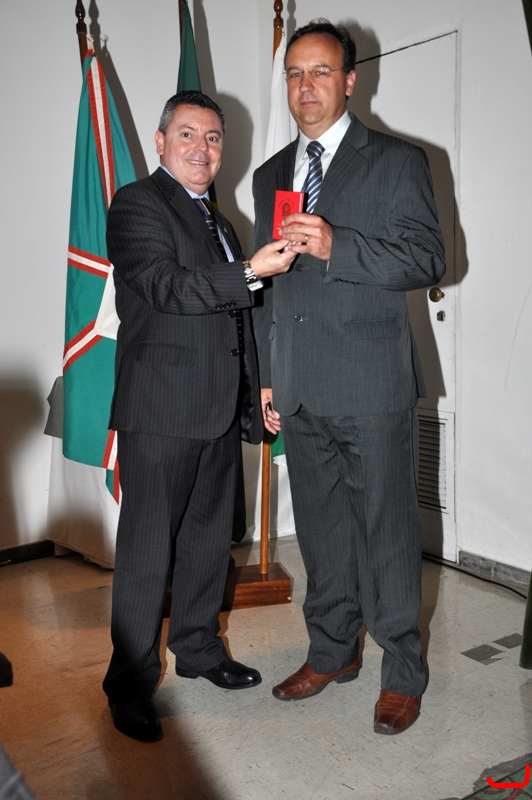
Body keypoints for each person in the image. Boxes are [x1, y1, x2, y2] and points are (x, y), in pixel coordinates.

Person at [252, 20, 446, 734]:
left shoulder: (396, 160)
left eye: (321, 72)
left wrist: (340, 245)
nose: (306, 86)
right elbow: (267, 284)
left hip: (370, 384)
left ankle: (403, 673)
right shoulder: (270, 173)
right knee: (322, 532)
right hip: (300, 386)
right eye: (295, 74)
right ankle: (333, 652)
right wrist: (268, 375)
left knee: (388, 533)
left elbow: (428, 259)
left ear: (350, 80)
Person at [103, 91, 294, 741]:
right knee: (147, 552)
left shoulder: (221, 222)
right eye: (187, 134)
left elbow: (239, 316)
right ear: (160, 142)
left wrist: (260, 386)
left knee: (209, 542)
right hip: (160, 409)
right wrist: (249, 270)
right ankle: (129, 684)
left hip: (218, 407)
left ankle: (198, 649)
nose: (201, 148)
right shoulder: (137, 204)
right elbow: (165, 287)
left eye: (212, 138)